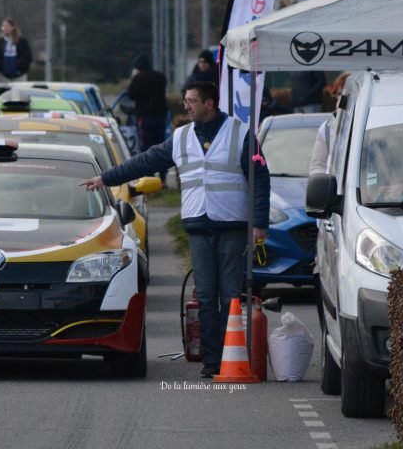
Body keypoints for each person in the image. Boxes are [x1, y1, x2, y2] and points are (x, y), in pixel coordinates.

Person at [81, 81, 270, 378]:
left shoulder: (241, 133)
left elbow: (260, 178)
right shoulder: (181, 137)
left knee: (231, 295)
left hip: (233, 225)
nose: (187, 106)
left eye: (192, 101)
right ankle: (211, 360)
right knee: (206, 295)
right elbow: (144, 162)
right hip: (198, 225)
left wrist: (259, 223)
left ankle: (232, 356)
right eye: (186, 100)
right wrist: (106, 178)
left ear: (209, 103)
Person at [126, 55, 169, 181]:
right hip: (160, 117)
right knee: (161, 146)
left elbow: (131, 95)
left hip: (144, 117)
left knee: (146, 147)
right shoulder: (160, 77)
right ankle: (163, 177)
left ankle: (149, 177)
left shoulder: (138, 78)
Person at [0, 18, 32, 82]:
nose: (4, 28)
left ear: (12, 27)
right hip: (3, 76)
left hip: (19, 76)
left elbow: (27, 57)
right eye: (3, 26)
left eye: (6, 26)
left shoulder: (22, 41)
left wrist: (19, 66)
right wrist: (1, 66)